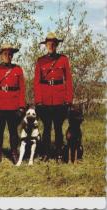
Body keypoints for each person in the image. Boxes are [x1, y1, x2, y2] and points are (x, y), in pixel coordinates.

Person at [34, 32, 73, 162]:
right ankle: (45, 153)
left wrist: (68, 99)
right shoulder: (40, 61)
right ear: (46, 45)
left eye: (53, 44)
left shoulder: (63, 60)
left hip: (59, 99)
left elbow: (68, 80)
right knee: (46, 129)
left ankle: (59, 154)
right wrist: (38, 100)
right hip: (44, 99)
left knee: (58, 128)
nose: (51, 46)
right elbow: (37, 82)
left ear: (56, 45)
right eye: (48, 44)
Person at [0, 43, 26, 164]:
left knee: (13, 132)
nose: (7, 56)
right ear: (1, 56)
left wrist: (21, 106)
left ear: (12, 56)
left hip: (13, 105)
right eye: (5, 54)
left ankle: (14, 153)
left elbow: (22, 89)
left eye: (10, 54)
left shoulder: (17, 69)